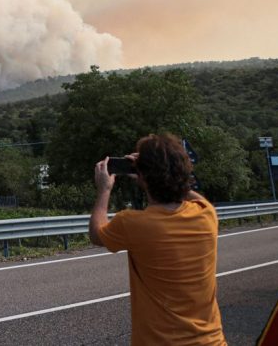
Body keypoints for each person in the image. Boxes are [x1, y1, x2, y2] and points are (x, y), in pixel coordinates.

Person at [89, 133, 227, 345]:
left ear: (142, 177)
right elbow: (189, 193)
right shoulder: (206, 214)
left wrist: (104, 189)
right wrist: (162, 172)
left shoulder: (132, 223)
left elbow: (97, 234)